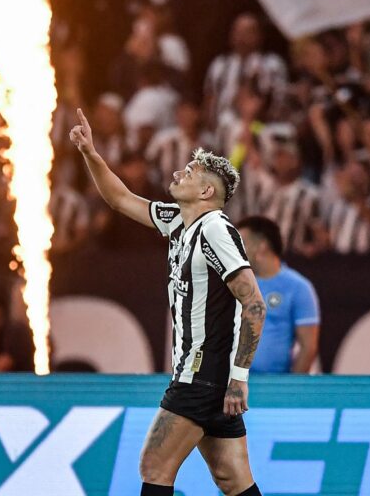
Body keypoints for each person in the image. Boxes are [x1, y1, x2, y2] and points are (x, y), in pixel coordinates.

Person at [71, 108, 265, 496]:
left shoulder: (214, 229)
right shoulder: (179, 220)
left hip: (201, 375)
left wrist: (239, 378)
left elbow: (255, 304)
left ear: (207, 192)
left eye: (189, 173)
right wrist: (91, 153)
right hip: (209, 378)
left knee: (154, 466)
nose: (177, 174)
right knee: (231, 479)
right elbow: (120, 199)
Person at [235, 217, 319, 374]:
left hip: (273, 383)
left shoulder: (298, 287)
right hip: (231, 383)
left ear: (262, 246)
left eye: (242, 244)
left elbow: (308, 347)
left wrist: (290, 386)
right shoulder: (233, 284)